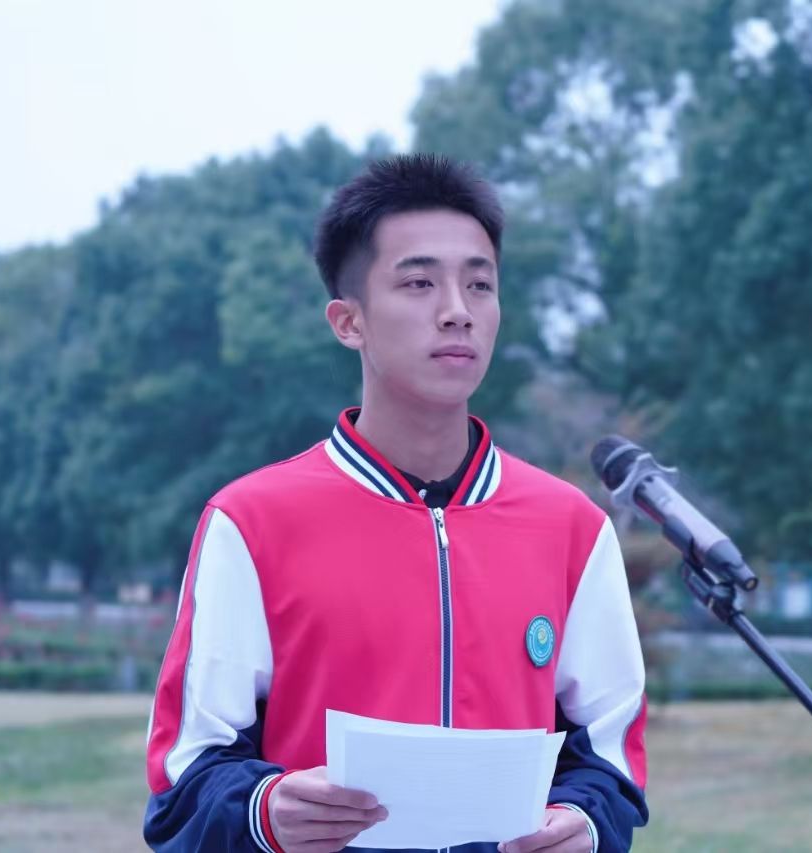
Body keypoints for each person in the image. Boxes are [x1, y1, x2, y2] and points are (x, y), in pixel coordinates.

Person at [143, 154, 648, 853]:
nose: (457, 311)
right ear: (348, 321)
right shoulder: (251, 523)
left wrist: (583, 824)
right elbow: (184, 781)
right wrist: (265, 811)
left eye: (480, 284)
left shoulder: (572, 528)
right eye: (419, 283)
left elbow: (610, 759)